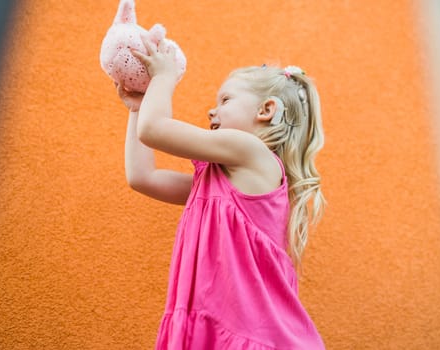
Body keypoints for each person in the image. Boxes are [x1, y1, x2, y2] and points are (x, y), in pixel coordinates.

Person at [117, 35, 326, 349]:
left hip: (249, 336)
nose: (211, 112)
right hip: (215, 329)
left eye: (225, 100)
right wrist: (138, 108)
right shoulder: (217, 182)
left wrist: (163, 77)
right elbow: (142, 177)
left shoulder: (252, 152)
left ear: (266, 110)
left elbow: (154, 129)